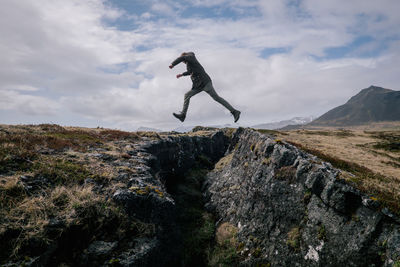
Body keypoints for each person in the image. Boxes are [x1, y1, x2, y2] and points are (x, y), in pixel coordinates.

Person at [169, 52, 241, 123]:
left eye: (183, 61)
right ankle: (183, 115)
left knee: (216, 98)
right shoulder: (190, 63)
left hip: (205, 83)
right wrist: (182, 74)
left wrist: (173, 64)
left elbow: (182, 58)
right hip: (199, 85)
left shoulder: (191, 57)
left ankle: (235, 112)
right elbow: (190, 71)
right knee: (187, 95)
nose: (183, 62)